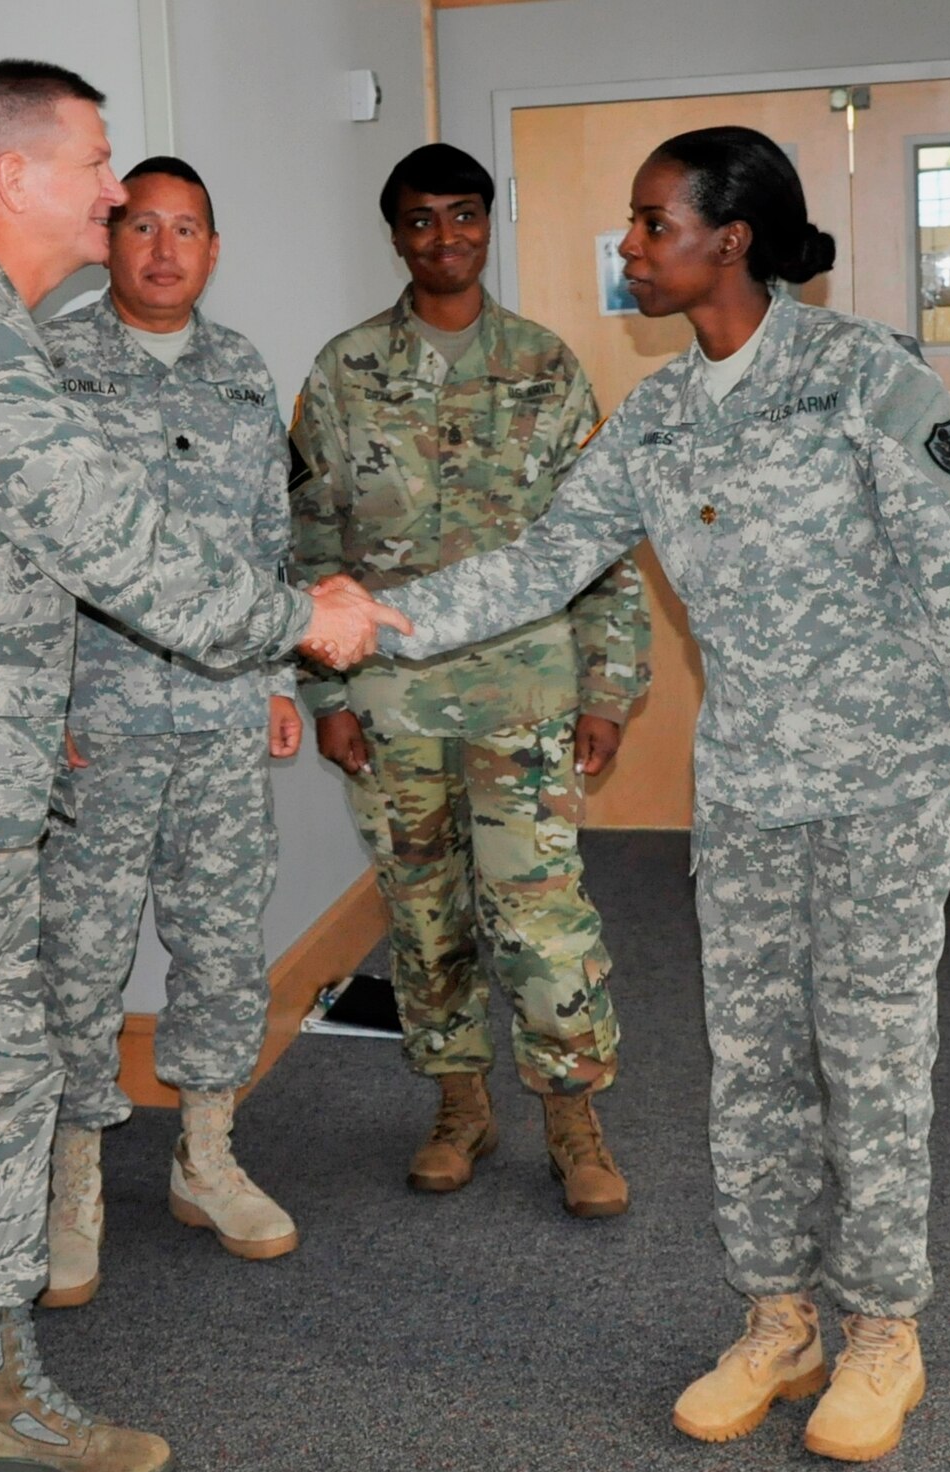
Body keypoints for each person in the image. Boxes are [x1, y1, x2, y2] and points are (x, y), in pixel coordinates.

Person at [365, 126, 950, 1463]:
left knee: (868, 1063)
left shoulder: (867, 380)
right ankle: (779, 1315)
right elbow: (541, 560)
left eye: (648, 225)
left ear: (729, 240)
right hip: (748, 791)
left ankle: (883, 1331)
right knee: (748, 1068)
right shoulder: (663, 419)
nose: (627, 248)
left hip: (885, 782)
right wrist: (375, 619)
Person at [0, 61, 400, 1472]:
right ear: (14, 180)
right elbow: (115, 536)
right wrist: (300, 620)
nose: (120, 195)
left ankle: (0, 1389)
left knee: (2, 1097)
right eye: (96, 167)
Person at [290, 144, 650, 1214]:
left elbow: (603, 542)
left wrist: (607, 686)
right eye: (418, 221)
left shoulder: (545, 365)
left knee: (541, 917)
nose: (442, 239)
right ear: (393, 234)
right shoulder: (343, 373)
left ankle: (573, 1117)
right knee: (424, 914)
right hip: (391, 701)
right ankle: (459, 1105)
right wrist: (325, 695)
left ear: (488, 225)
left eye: (462, 217)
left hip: (524, 693)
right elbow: (308, 548)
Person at [36, 157, 303, 1312]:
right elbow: (20, 555)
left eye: (185, 227)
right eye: (140, 224)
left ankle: (205, 1153)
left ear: (212, 245)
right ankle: (72, 1174)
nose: (162, 247)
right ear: (108, 238)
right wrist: (38, 703)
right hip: (96, 714)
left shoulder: (242, 370)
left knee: (222, 941)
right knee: (79, 953)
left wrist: (280, 670)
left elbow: (270, 540)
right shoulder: (51, 368)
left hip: (223, 710)